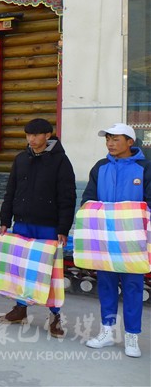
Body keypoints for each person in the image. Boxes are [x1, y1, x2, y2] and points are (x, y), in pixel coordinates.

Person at [0, 119, 75, 337]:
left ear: (47, 136)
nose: (31, 139)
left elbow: (67, 196)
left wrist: (63, 227)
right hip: (22, 223)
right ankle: (20, 309)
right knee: (21, 268)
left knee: (50, 272)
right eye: (28, 135)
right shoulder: (21, 159)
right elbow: (10, 191)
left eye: (36, 135)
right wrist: (5, 219)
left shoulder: (60, 161)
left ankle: (54, 315)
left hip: (48, 226)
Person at [81, 123, 147, 358]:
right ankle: (107, 332)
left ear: (130, 142)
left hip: (133, 241)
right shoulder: (100, 167)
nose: (110, 143)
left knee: (133, 287)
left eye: (115, 139)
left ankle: (132, 337)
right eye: (108, 139)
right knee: (106, 285)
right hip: (105, 239)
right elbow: (88, 197)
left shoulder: (145, 168)